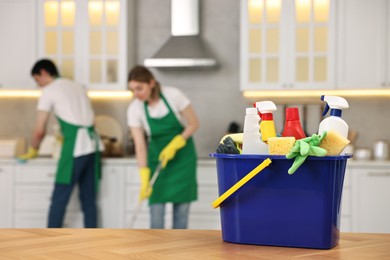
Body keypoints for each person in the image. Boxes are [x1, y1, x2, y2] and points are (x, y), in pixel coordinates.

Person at [17, 59, 103, 228]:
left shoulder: (49, 91)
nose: (38, 85)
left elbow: (39, 130)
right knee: (89, 201)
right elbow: (90, 120)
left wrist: (33, 149)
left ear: (43, 73)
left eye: (37, 80)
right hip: (92, 148)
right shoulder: (77, 86)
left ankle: (50, 246)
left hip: (75, 149)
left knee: (58, 200)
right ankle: (94, 247)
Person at [127, 65, 199, 229]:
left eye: (139, 88)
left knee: (181, 214)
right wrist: (144, 175)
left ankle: (178, 252)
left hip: (182, 159)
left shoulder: (173, 95)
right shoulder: (135, 108)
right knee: (156, 214)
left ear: (151, 83)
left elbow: (194, 123)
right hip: (156, 158)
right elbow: (140, 145)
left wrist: (176, 143)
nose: (136, 94)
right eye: (132, 90)